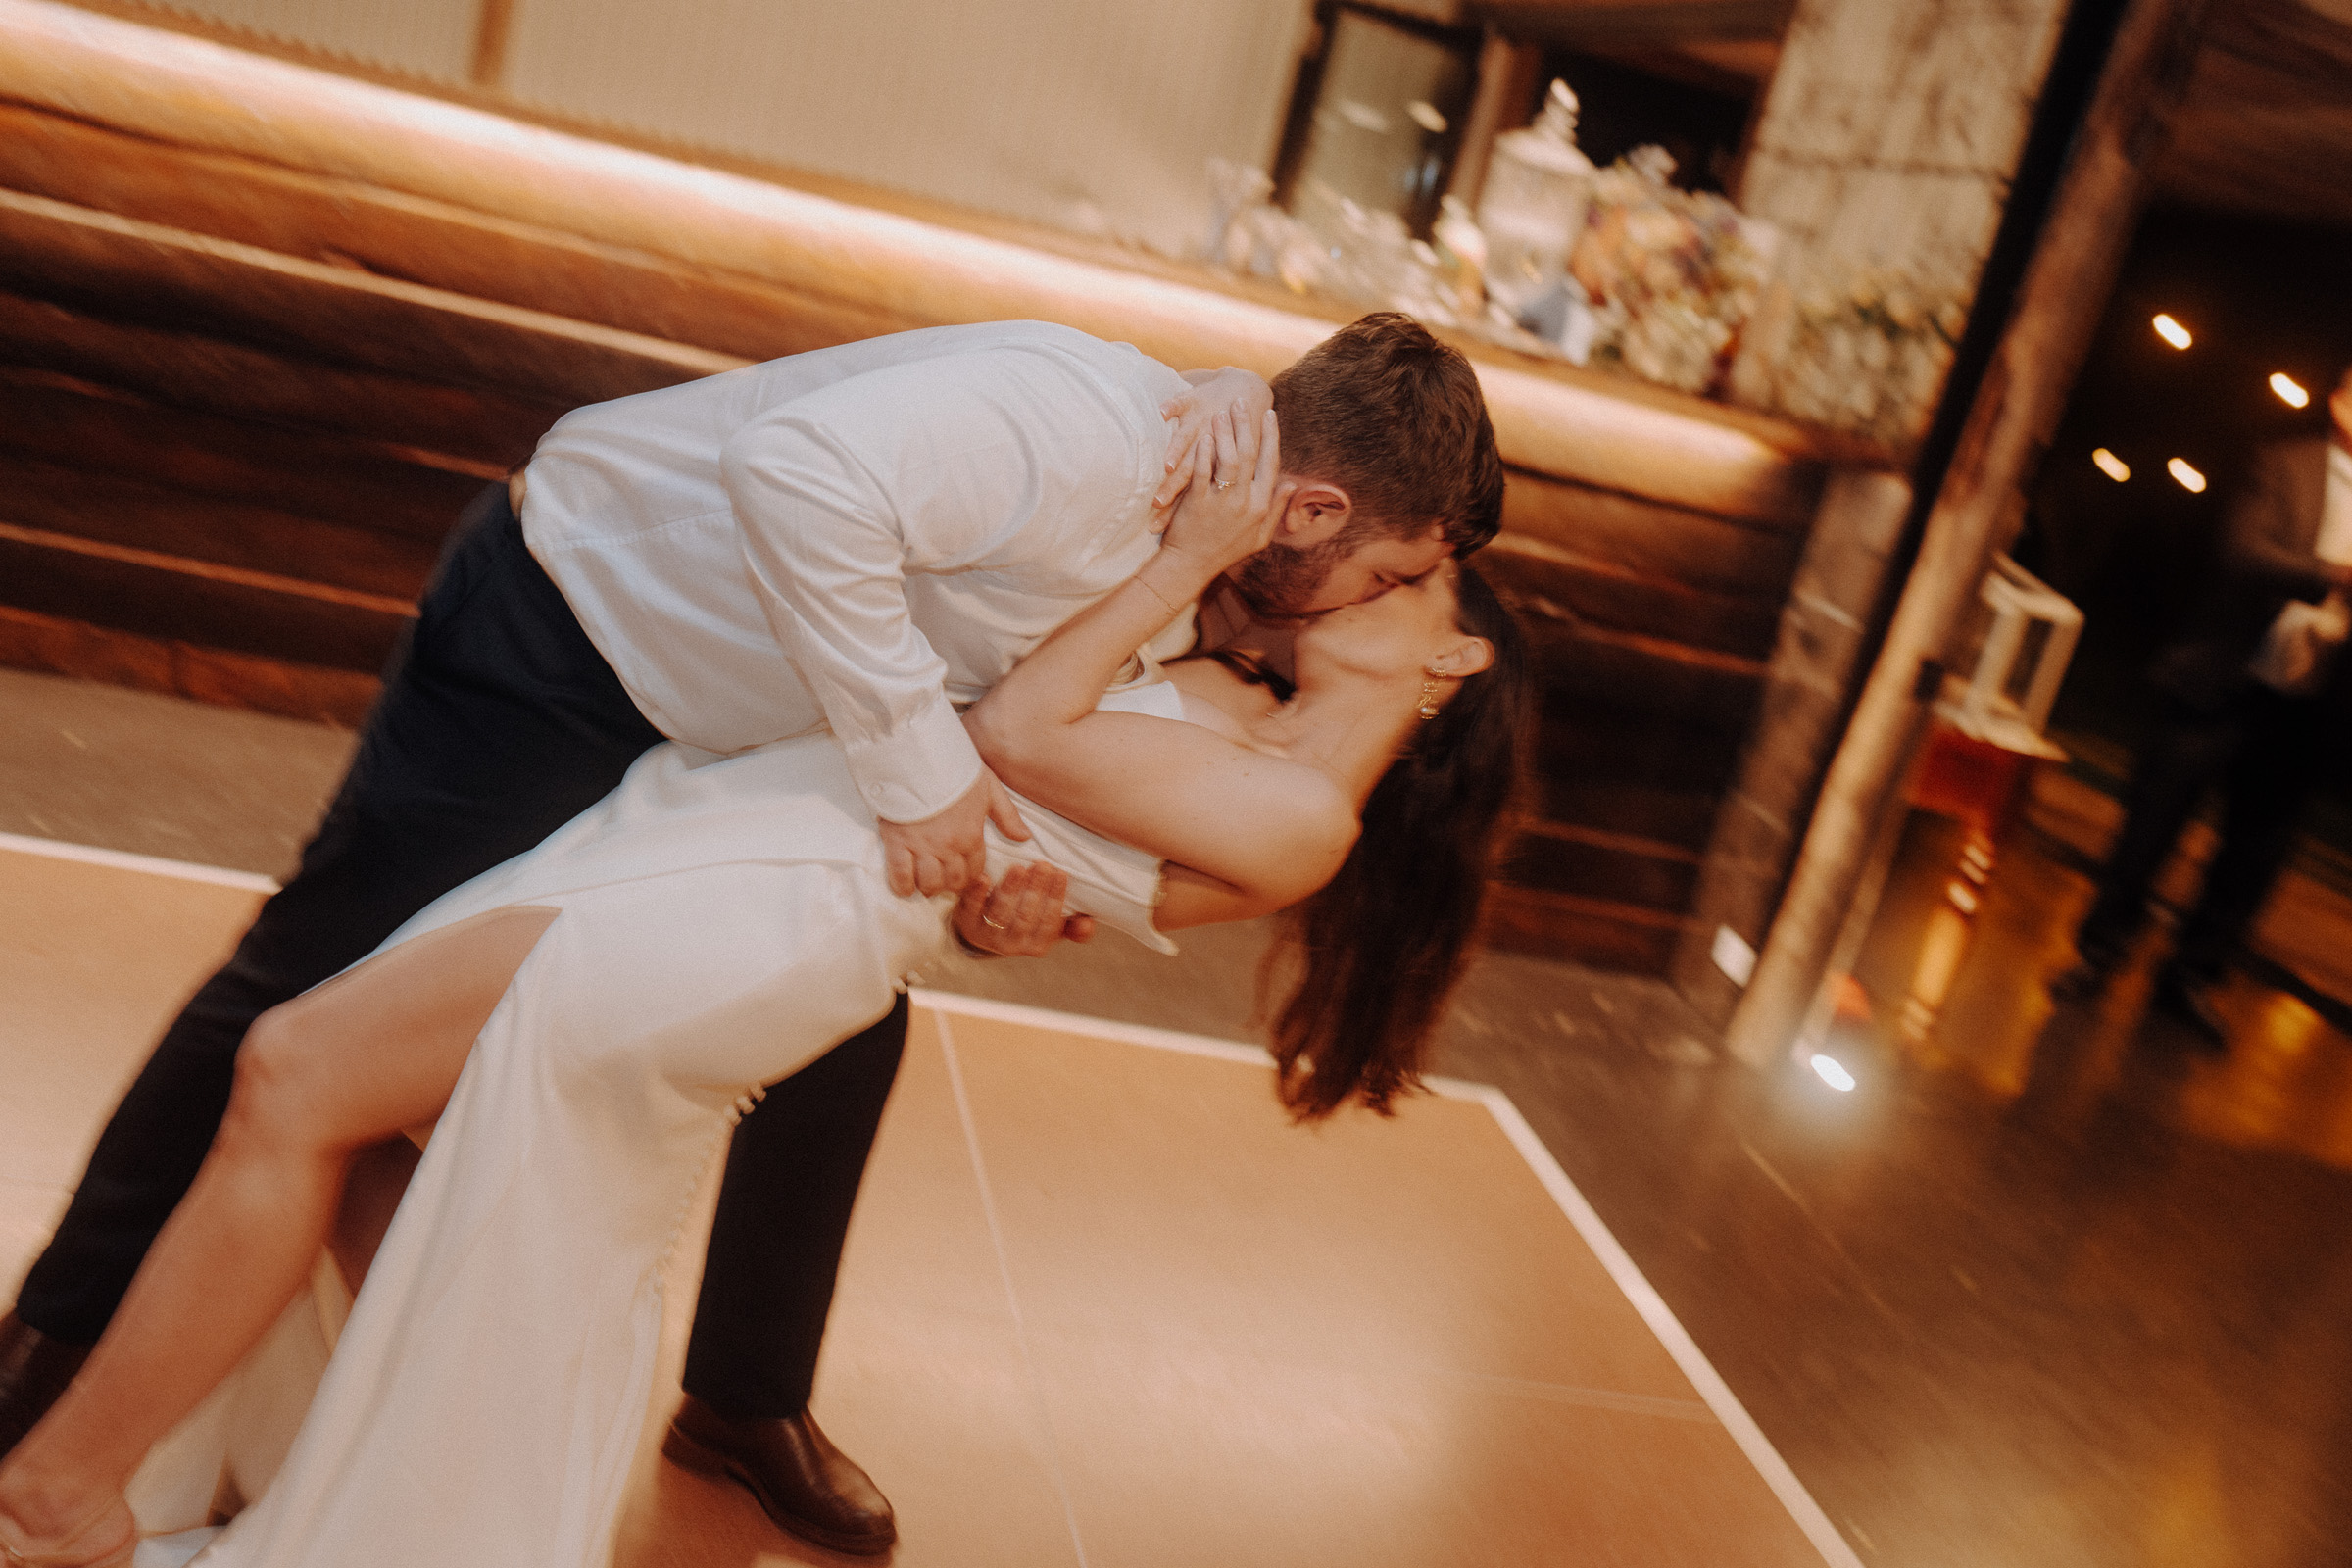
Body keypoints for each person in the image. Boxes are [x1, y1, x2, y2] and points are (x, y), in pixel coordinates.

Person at [0, 312, 1505, 1555]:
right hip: (591, 651)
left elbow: (1036, 777)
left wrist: (998, 882)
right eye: (1390, 563)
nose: (1369, 594)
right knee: (358, 1072)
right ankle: (246, 1424)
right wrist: (970, 826)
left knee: (328, 1083)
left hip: (758, 859)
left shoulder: (1248, 678)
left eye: (1398, 585)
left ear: (1447, 656)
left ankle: (116, 1483)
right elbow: (832, 509)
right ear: (1311, 510)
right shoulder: (1121, 468)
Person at [2055, 365, 2352, 1044]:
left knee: (2253, 854)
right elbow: (2244, 550)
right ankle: (2098, 954)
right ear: (2340, 403)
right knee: (2153, 825)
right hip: (2225, 676)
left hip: (2308, 706)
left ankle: (2189, 979)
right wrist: (2335, 576)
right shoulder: (2285, 462)